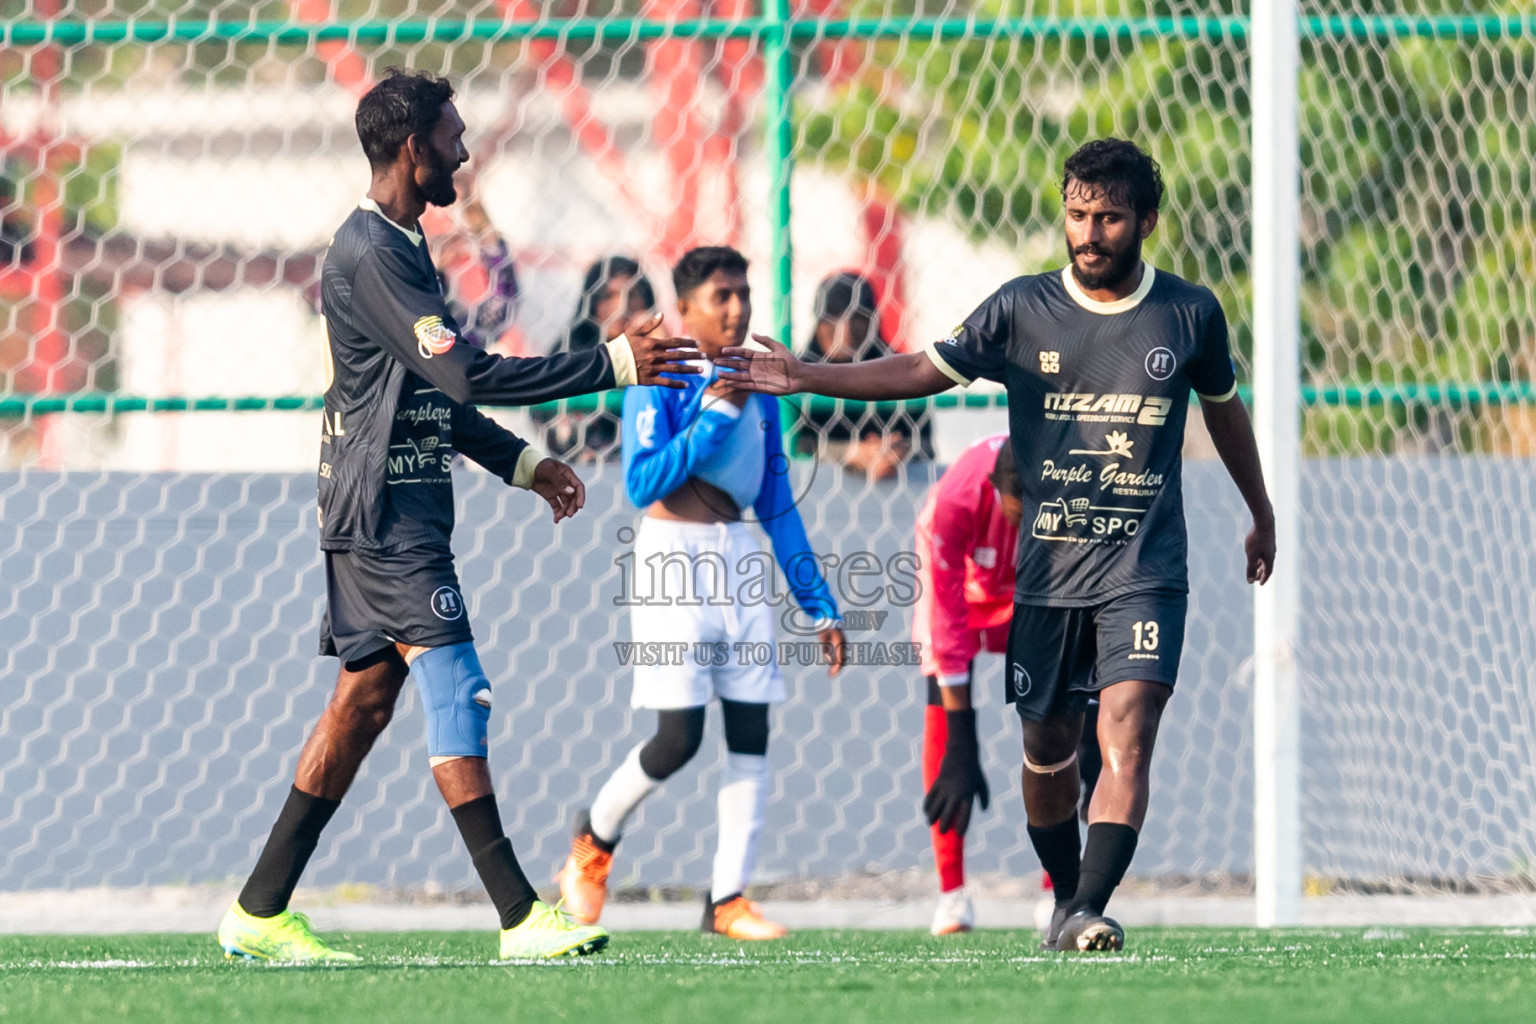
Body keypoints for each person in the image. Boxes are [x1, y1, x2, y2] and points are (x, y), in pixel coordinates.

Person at [720, 139, 1276, 953]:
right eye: (1078, 215)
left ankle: (1088, 904)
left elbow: (1224, 408)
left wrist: (1258, 506)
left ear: (1147, 221)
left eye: (1110, 218)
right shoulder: (1021, 308)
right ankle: (1066, 898)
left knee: (1128, 729)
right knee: (1046, 750)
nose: (1089, 234)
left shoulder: (1188, 314)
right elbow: (921, 368)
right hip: (1046, 577)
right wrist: (807, 375)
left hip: (1145, 569)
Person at [215, 68, 699, 964]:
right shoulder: (370, 252)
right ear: (413, 148)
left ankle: (258, 908)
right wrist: (615, 364)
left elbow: (430, 395)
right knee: (460, 690)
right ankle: (521, 916)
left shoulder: (401, 245)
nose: (465, 152)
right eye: (453, 137)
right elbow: (468, 374)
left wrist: (521, 461)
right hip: (386, 518)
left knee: (359, 709)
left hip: (388, 509)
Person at [557, 245, 848, 940]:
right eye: (722, 296)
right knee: (677, 739)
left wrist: (819, 605)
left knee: (752, 730)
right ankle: (593, 843)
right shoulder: (660, 375)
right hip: (672, 562)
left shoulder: (758, 382)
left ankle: (727, 900)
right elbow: (642, 483)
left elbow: (777, 502)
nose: (738, 307)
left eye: (743, 293)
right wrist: (716, 416)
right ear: (685, 308)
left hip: (739, 558)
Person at [915, 433, 1104, 935]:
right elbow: (945, 624)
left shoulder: (1074, 499)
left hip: (1036, 600)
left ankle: (1056, 891)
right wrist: (962, 737)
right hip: (968, 600)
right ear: (998, 490)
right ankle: (952, 896)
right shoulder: (954, 503)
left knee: (1061, 727)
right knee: (943, 714)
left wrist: (1090, 726)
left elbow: (1089, 605)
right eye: (1024, 507)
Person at [793, 271, 933, 478]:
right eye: (832, 316)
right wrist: (849, 452)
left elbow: (927, 447)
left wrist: (901, 451)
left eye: (856, 317)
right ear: (818, 322)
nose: (845, 329)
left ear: (872, 321)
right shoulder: (798, 375)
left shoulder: (902, 372)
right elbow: (793, 445)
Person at [534, 256, 657, 462]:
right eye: (609, 296)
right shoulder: (570, 353)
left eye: (633, 294)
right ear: (591, 302)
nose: (622, 306)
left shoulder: (660, 349)